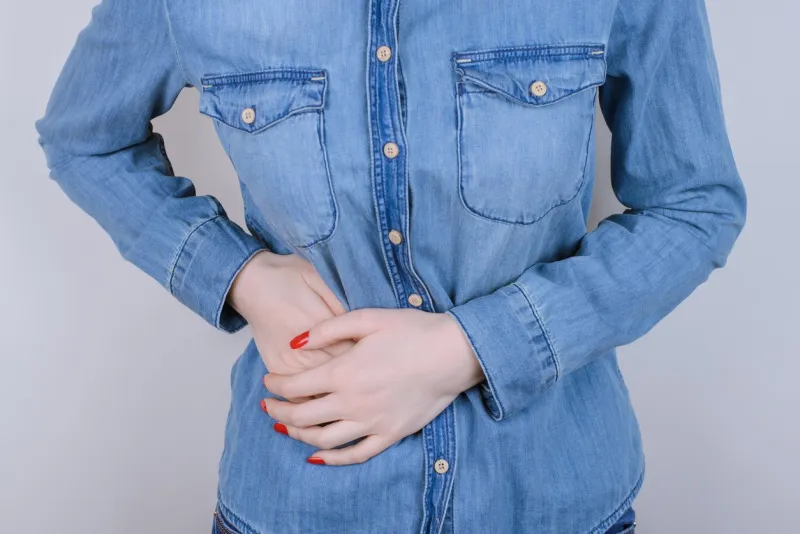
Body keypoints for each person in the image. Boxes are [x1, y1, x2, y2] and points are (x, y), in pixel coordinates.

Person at [34, 0, 746, 532]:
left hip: (552, 499)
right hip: (298, 503)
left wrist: (473, 348)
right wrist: (242, 276)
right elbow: (85, 140)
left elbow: (694, 204)